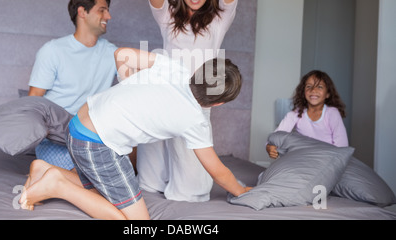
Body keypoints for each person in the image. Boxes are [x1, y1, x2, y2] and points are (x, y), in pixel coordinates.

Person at [20, 47, 251, 220]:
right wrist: (241, 190)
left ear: (201, 72)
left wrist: (128, 84)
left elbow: (121, 54)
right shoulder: (195, 120)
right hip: (96, 143)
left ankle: (45, 170)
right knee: (136, 222)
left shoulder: (175, 67)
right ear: (219, 103)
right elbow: (217, 171)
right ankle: (55, 185)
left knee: (103, 191)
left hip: (77, 124)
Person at [137, 0, 239, 202]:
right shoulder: (168, 16)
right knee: (151, 179)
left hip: (196, 103)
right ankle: (152, 186)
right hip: (163, 96)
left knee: (193, 188)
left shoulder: (219, 19)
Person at [28, 0, 118, 170]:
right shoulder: (53, 51)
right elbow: (33, 100)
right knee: (83, 178)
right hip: (58, 138)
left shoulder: (112, 53)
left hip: (92, 136)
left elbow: (136, 81)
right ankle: (47, 177)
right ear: (82, 12)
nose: (108, 17)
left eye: (108, 11)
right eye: (102, 10)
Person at [266, 70, 349, 159]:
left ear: (327, 94)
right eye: (309, 86)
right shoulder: (295, 114)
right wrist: (269, 147)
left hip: (326, 159)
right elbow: (275, 136)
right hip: (304, 159)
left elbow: (342, 146)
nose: (313, 90)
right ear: (303, 92)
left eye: (319, 87)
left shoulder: (332, 114)